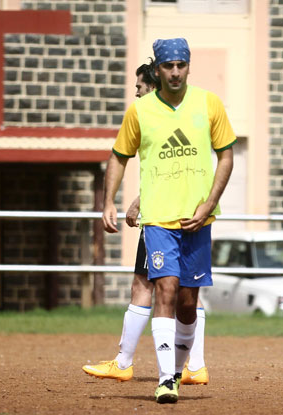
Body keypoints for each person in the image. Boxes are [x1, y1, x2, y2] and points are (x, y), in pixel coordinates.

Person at [100, 38, 235, 404]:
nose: (175, 71)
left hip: (197, 221)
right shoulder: (140, 110)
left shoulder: (209, 104)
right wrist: (108, 201)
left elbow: (226, 156)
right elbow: (118, 156)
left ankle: (180, 369)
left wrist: (209, 204)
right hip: (158, 221)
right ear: (156, 70)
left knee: (188, 305)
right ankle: (165, 380)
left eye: (181, 64)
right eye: (167, 66)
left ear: (189, 66)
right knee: (165, 290)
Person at [82, 59, 210, 386]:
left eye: (139, 86)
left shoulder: (155, 115)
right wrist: (140, 200)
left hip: (163, 218)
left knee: (148, 285)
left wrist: (138, 202)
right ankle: (194, 365)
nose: (136, 92)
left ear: (153, 85)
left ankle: (126, 362)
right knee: (186, 291)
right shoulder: (171, 115)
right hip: (167, 212)